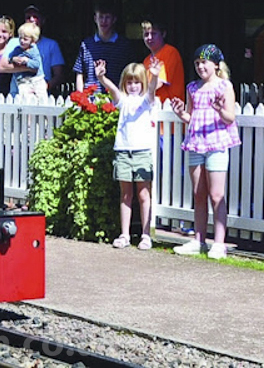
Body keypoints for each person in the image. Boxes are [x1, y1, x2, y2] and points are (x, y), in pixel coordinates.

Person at [170, 44, 240, 259]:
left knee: (216, 194)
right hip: (196, 142)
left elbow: (230, 118)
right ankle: (199, 240)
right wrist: (181, 114)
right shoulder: (192, 87)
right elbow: (192, 116)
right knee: (199, 193)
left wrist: (219, 110)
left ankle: (219, 243)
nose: (200, 66)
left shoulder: (224, 86)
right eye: (197, 63)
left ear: (216, 65)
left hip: (217, 143)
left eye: (204, 62)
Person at [97, 60, 158, 249]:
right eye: (129, 82)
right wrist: (101, 77)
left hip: (142, 151)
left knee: (143, 194)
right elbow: (114, 91)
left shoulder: (146, 100)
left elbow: (152, 91)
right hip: (123, 151)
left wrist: (154, 75)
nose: (133, 86)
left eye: (137, 82)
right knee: (125, 195)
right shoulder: (122, 100)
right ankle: (124, 235)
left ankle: (145, 235)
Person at [73, 4, 135, 93]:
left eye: (107, 17)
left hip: (116, 97)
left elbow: (131, 72)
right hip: (90, 97)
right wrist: (80, 95)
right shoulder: (86, 44)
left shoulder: (124, 45)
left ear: (114, 19)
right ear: (95, 19)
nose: (103, 21)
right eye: (101, 17)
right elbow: (80, 72)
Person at [141, 19, 185, 105]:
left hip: (169, 110)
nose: (149, 38)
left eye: (153, 34)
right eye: (146, 34)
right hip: (152, 109)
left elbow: (159, 83)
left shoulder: (170, 52)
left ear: (163, 34)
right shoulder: (146, 60)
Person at [23, 5, 65, 93]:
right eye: (28, 17)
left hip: (41, 96)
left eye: (35, 17)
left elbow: (59, 75)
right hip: (20, 93)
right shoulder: (16, 43)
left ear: (43, 20)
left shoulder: (51, 45)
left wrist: (43, 88)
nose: (31, 20)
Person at [6, 22, 47, 101]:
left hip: (36, 79)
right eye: (20, 38)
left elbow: (37, 64)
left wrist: (27, 61)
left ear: (33, 40)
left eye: (25, 39)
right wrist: (13, 59)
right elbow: (9, 58)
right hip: (23, 80)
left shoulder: (34, 51)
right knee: (25, 99)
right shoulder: (17, 49)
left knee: (42, 98)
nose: (22, 41)